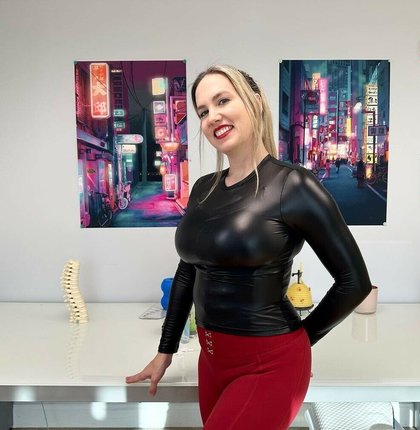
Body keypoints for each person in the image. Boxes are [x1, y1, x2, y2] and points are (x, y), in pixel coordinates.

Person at [126, 65, 372, 429]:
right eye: (203, 111)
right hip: (211, 362)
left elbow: (354, 282)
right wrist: (166, 350)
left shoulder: (293, 185)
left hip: (269, 364)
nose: (213, 116)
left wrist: (301, 341)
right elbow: (188, 270)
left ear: (255, 102)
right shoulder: (204, 188)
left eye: (223, 100)